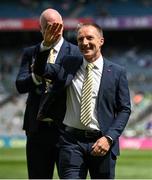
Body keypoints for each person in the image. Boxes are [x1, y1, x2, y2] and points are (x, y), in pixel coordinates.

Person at [33, 23, 131, 179]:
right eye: (80, 39)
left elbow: (124, 109)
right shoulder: (68, 64)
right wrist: (45, 46)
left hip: (102, 143)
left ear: (101, 41)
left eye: (89, 38)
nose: (84, 43)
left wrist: (109, 138)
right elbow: (40, 70)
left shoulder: (117, 72)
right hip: (71, 143)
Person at [15, 8, 80, 179]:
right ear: (40, 28)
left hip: (66, 130)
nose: (53, 31)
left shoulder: (76, 52)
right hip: (37, 131)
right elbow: (20, 85)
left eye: (56, 27)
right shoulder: (31, 52)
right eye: (48, 27)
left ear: (63, 26)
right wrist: (37, 76)